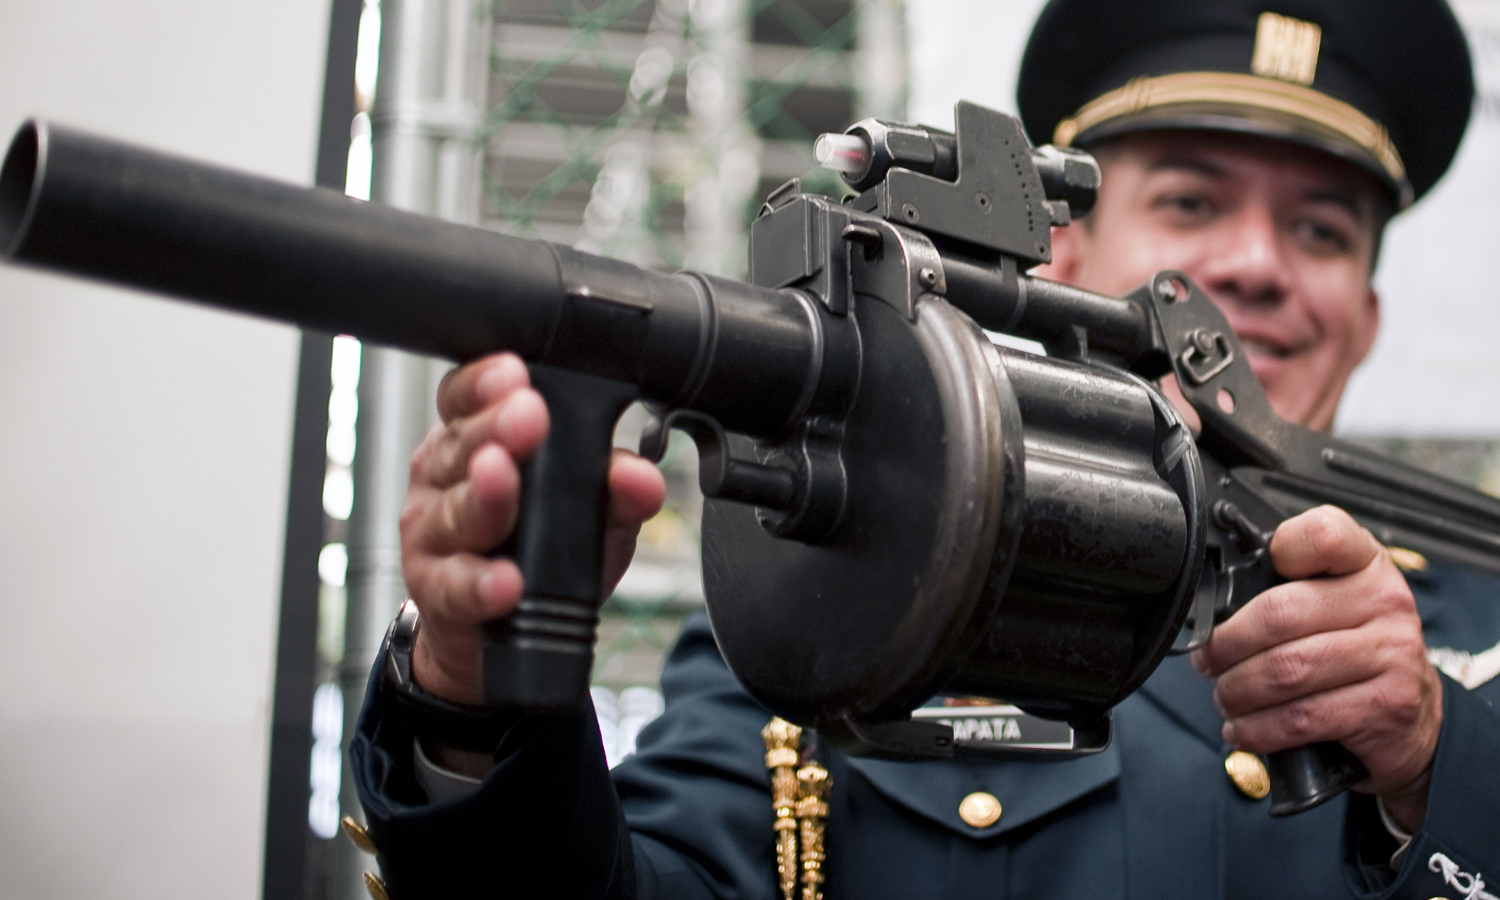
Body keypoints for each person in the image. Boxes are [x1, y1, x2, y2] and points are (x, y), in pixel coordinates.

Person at [350, 0, 1500, 897]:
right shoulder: (856, 584)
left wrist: (1432, 773)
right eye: (1193, 205)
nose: (1256, 263)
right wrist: (473, 695)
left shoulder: (1477, 657)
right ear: (1068, 257)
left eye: (1319, 229)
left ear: (1365, 315)